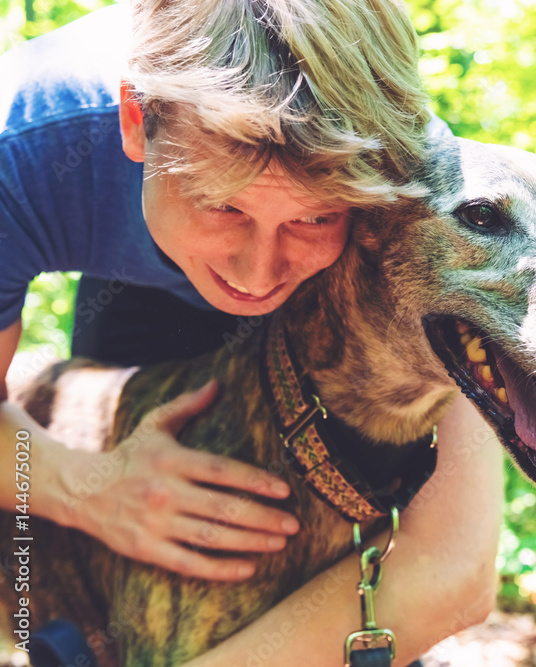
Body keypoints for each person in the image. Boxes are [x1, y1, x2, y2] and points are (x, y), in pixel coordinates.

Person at [0, 1, 502, 664]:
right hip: (131, 290)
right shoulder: (24, 147)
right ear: (135, 121)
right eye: (221, 204)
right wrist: (90, 487)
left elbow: (452, 567)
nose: (258, 276)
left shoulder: (413, 180)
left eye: (316, 217)